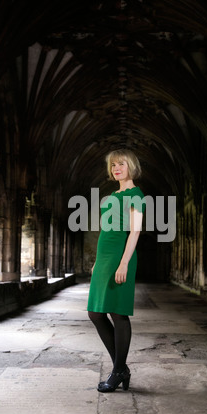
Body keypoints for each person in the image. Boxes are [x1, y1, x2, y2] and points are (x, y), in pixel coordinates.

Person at [87, 149, 145, 392]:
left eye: (121, 164)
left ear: (131, 166)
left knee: (118, 314)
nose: (116, 168)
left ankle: (118, 370)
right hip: (105, 259)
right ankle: (120, 368)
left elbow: (135, 231)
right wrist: (97, 262)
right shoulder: (114, 195)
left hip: (121, 257)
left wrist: (123, 263)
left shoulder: (136, 194)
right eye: (113, 165)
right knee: (95, 313)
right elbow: (107, 230)